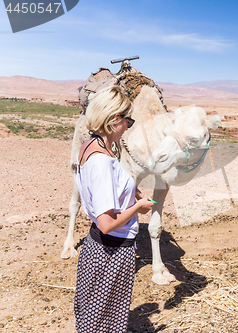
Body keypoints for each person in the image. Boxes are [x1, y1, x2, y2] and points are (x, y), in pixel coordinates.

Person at [74, 86, 154, 333]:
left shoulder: (92, 145)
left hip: (100, 248)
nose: (129, 126)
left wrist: (134, 192)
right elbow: (107, 223)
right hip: (111, 252)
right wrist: (139, 206)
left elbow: (113, 184)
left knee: (95, 316)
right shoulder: (101, 161)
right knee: (103, 323)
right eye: (128, 121)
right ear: (114, 119)